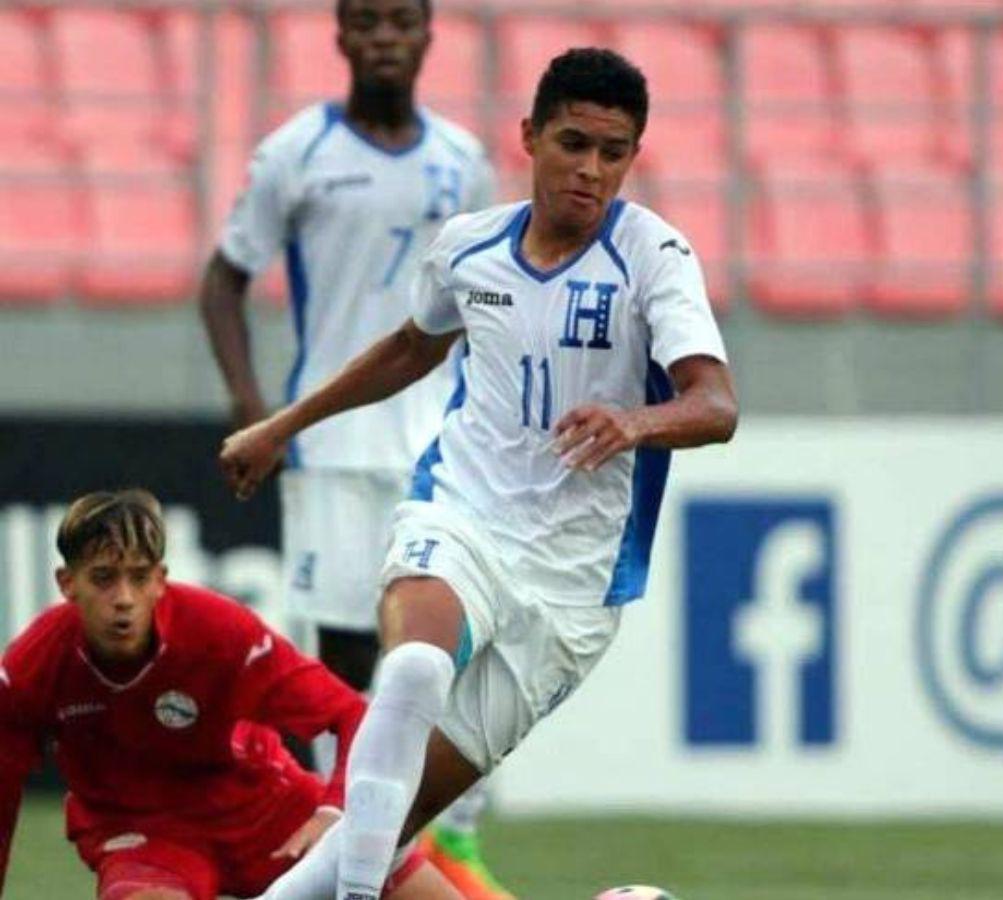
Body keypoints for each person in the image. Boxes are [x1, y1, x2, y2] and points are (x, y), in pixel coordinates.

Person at [220, 46, 738, 900]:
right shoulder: (470, 248)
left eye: (614, 154)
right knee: (415, 667)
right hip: (461, 516)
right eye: (574, 143)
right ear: (529, 136)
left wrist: (636, 420)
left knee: (380, 828)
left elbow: (715, 405)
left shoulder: (655, 257)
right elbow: (411, 348)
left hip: (572, 589)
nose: (592, 170)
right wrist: (284, 425)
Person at [198, 0, 509, 893]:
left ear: (426, 35)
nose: (383, 38)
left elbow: (492, 300)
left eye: (400, 22)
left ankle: (452, 841)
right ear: (339, 36)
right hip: (330, 448)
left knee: (448, 651)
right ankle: (349, 858)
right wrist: (257, 408)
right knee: (342, 668)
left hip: (442, 450)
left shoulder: (463, 162)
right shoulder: (296, 152)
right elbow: (223, 278)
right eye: (366, 22)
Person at [0, 489, 460, 900]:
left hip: (263, 811)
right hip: (142, 835)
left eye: (138, 578)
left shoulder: (221, 632)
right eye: (103, 578)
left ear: (160, 580)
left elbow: (349, 714)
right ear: (67, 584)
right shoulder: (32, 666)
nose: (123, 598)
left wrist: (334, 810)